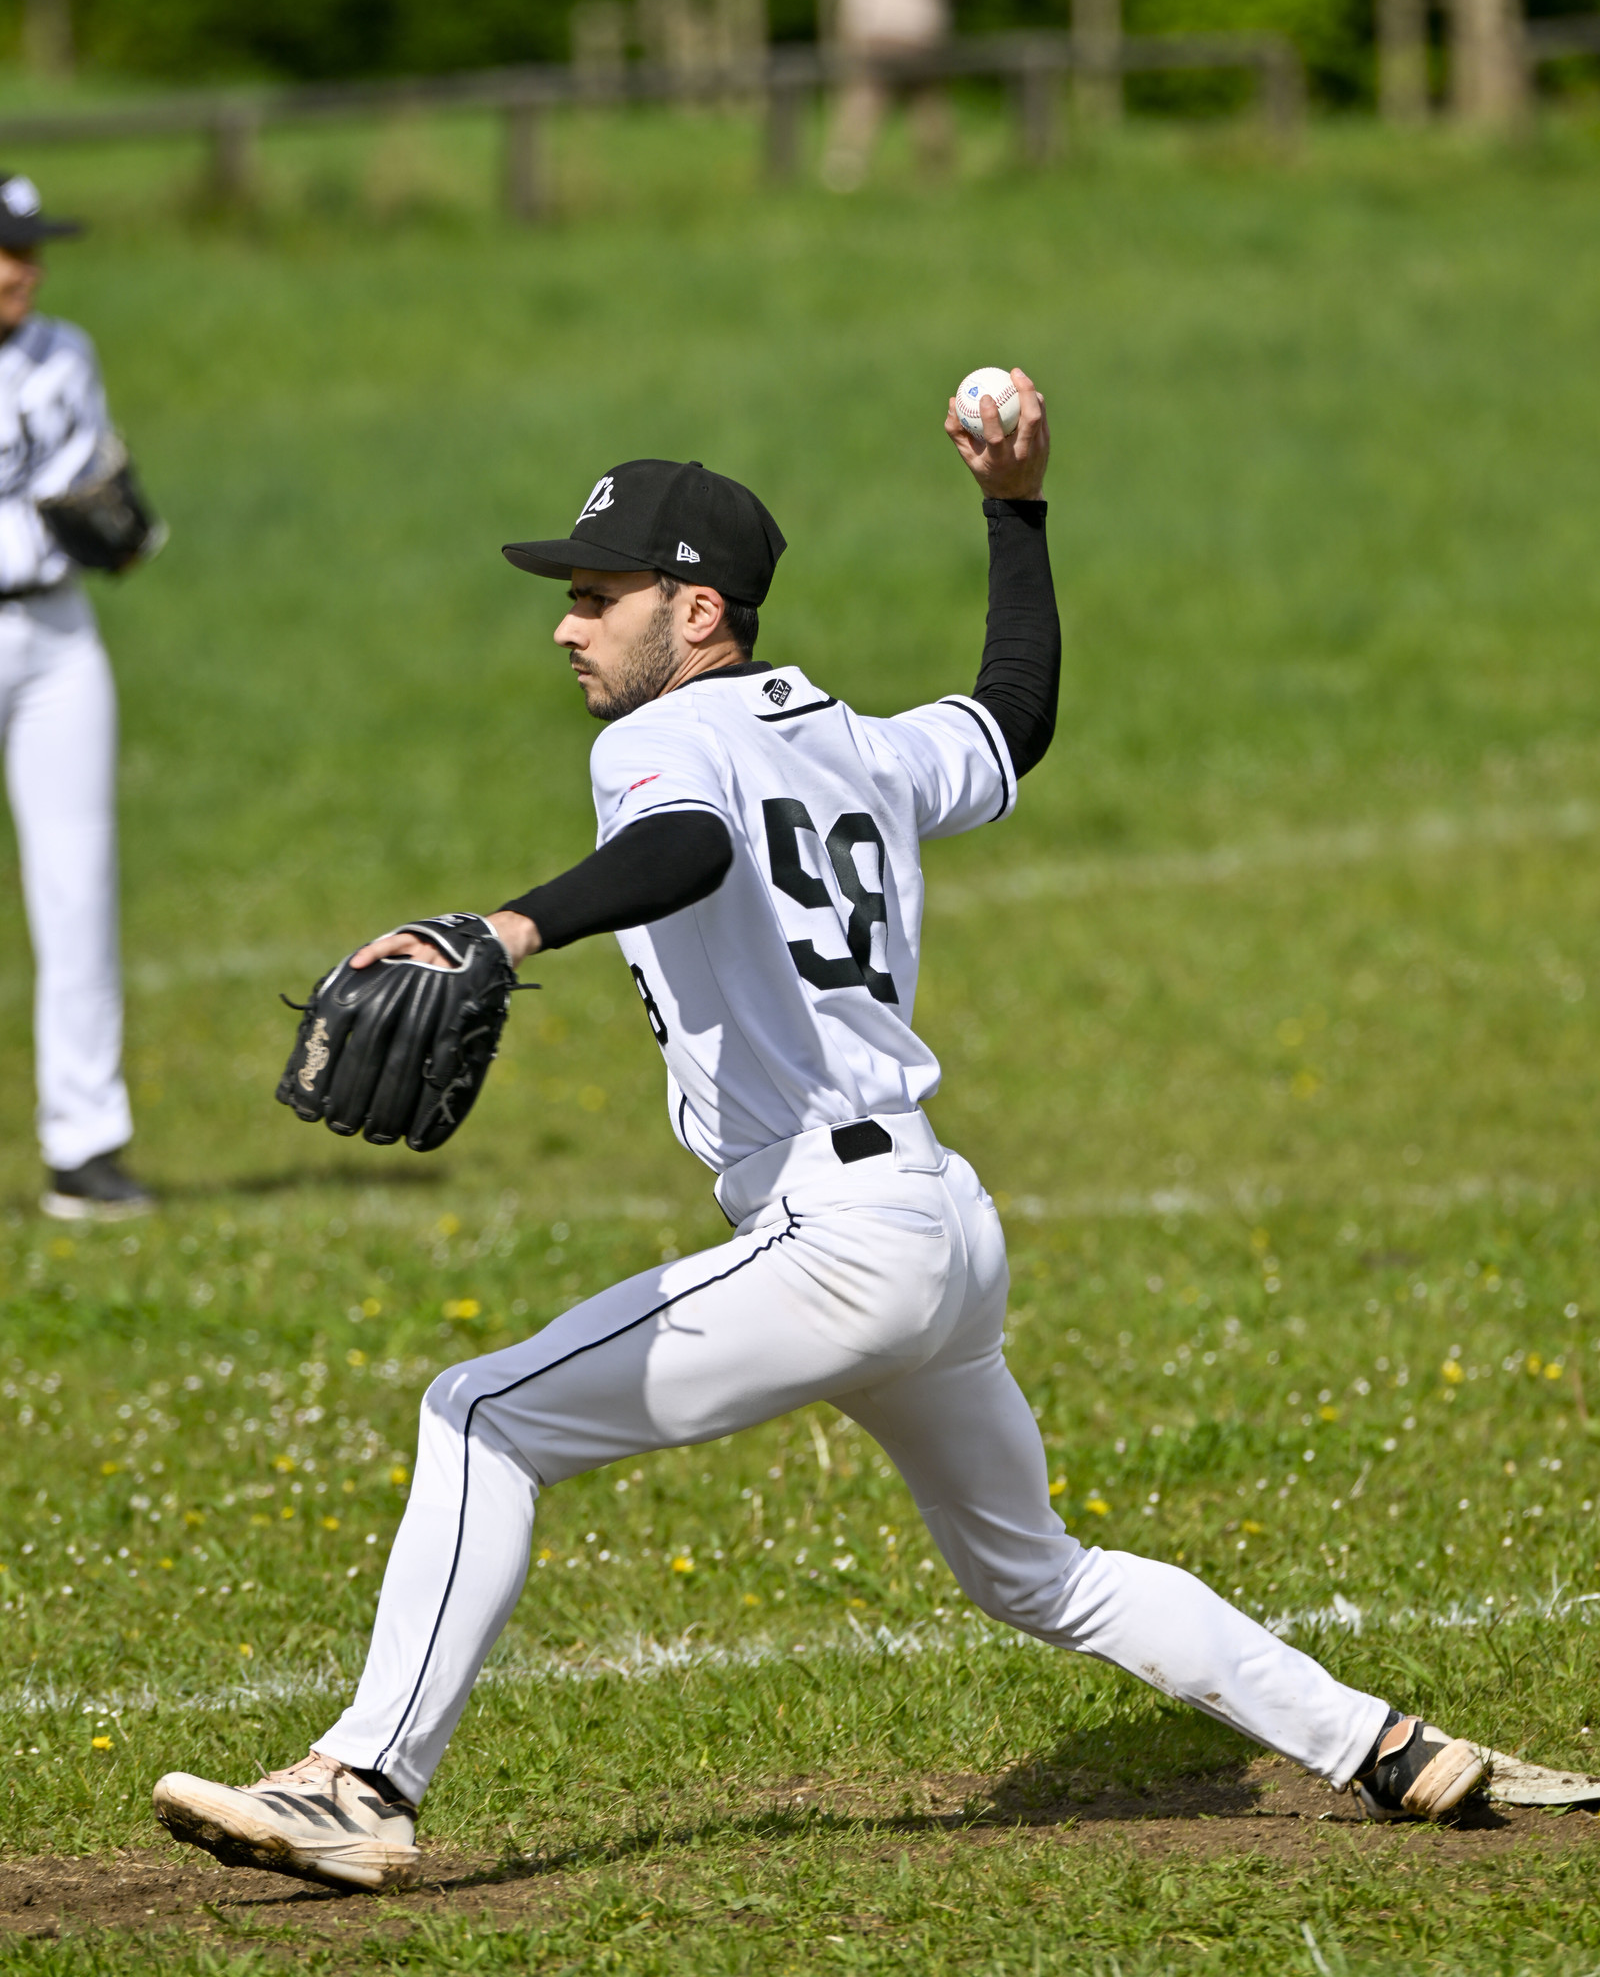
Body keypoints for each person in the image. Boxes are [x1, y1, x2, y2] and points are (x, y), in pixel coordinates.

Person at [153, 382, 1490, 1892]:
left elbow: (688, 846)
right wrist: (1019, 511)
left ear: (699, 611)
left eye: (599, 596)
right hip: (935, 1221)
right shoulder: (859, 740)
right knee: (1037, 1572)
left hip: (833, 1239)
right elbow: (1013, 716)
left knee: (482, 1414)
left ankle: (365, 1783)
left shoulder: (656, 748)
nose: (566, 626)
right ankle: (1388, 1744)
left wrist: (512, 925)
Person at [0, 174, 151, 1221]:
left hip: (56, 633)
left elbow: (87, 481)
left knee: (78, 879)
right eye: (3, 250)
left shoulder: (64, 351)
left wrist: (120, 522)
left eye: (28, 249)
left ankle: (85, 1144)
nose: (22, 269)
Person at [821, 0, 982, 192]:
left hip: (867, 28)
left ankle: (842, 172)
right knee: (927, 99)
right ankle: (938, 176)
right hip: (915, 28)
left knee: (864, 98)